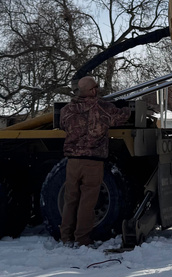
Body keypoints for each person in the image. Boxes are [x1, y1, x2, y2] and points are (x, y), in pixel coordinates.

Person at [56, 76, 131, 246]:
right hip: (93, 161)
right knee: (87, 202)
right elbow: (121, 117)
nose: (97, 89)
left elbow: (63, 125)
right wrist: (124, 106)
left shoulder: (67, 110)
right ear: (91, 90)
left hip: (73, 161)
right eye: (95, 86)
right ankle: (82, 239)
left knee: (70, 200)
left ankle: (66, 237)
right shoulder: (102, 108)